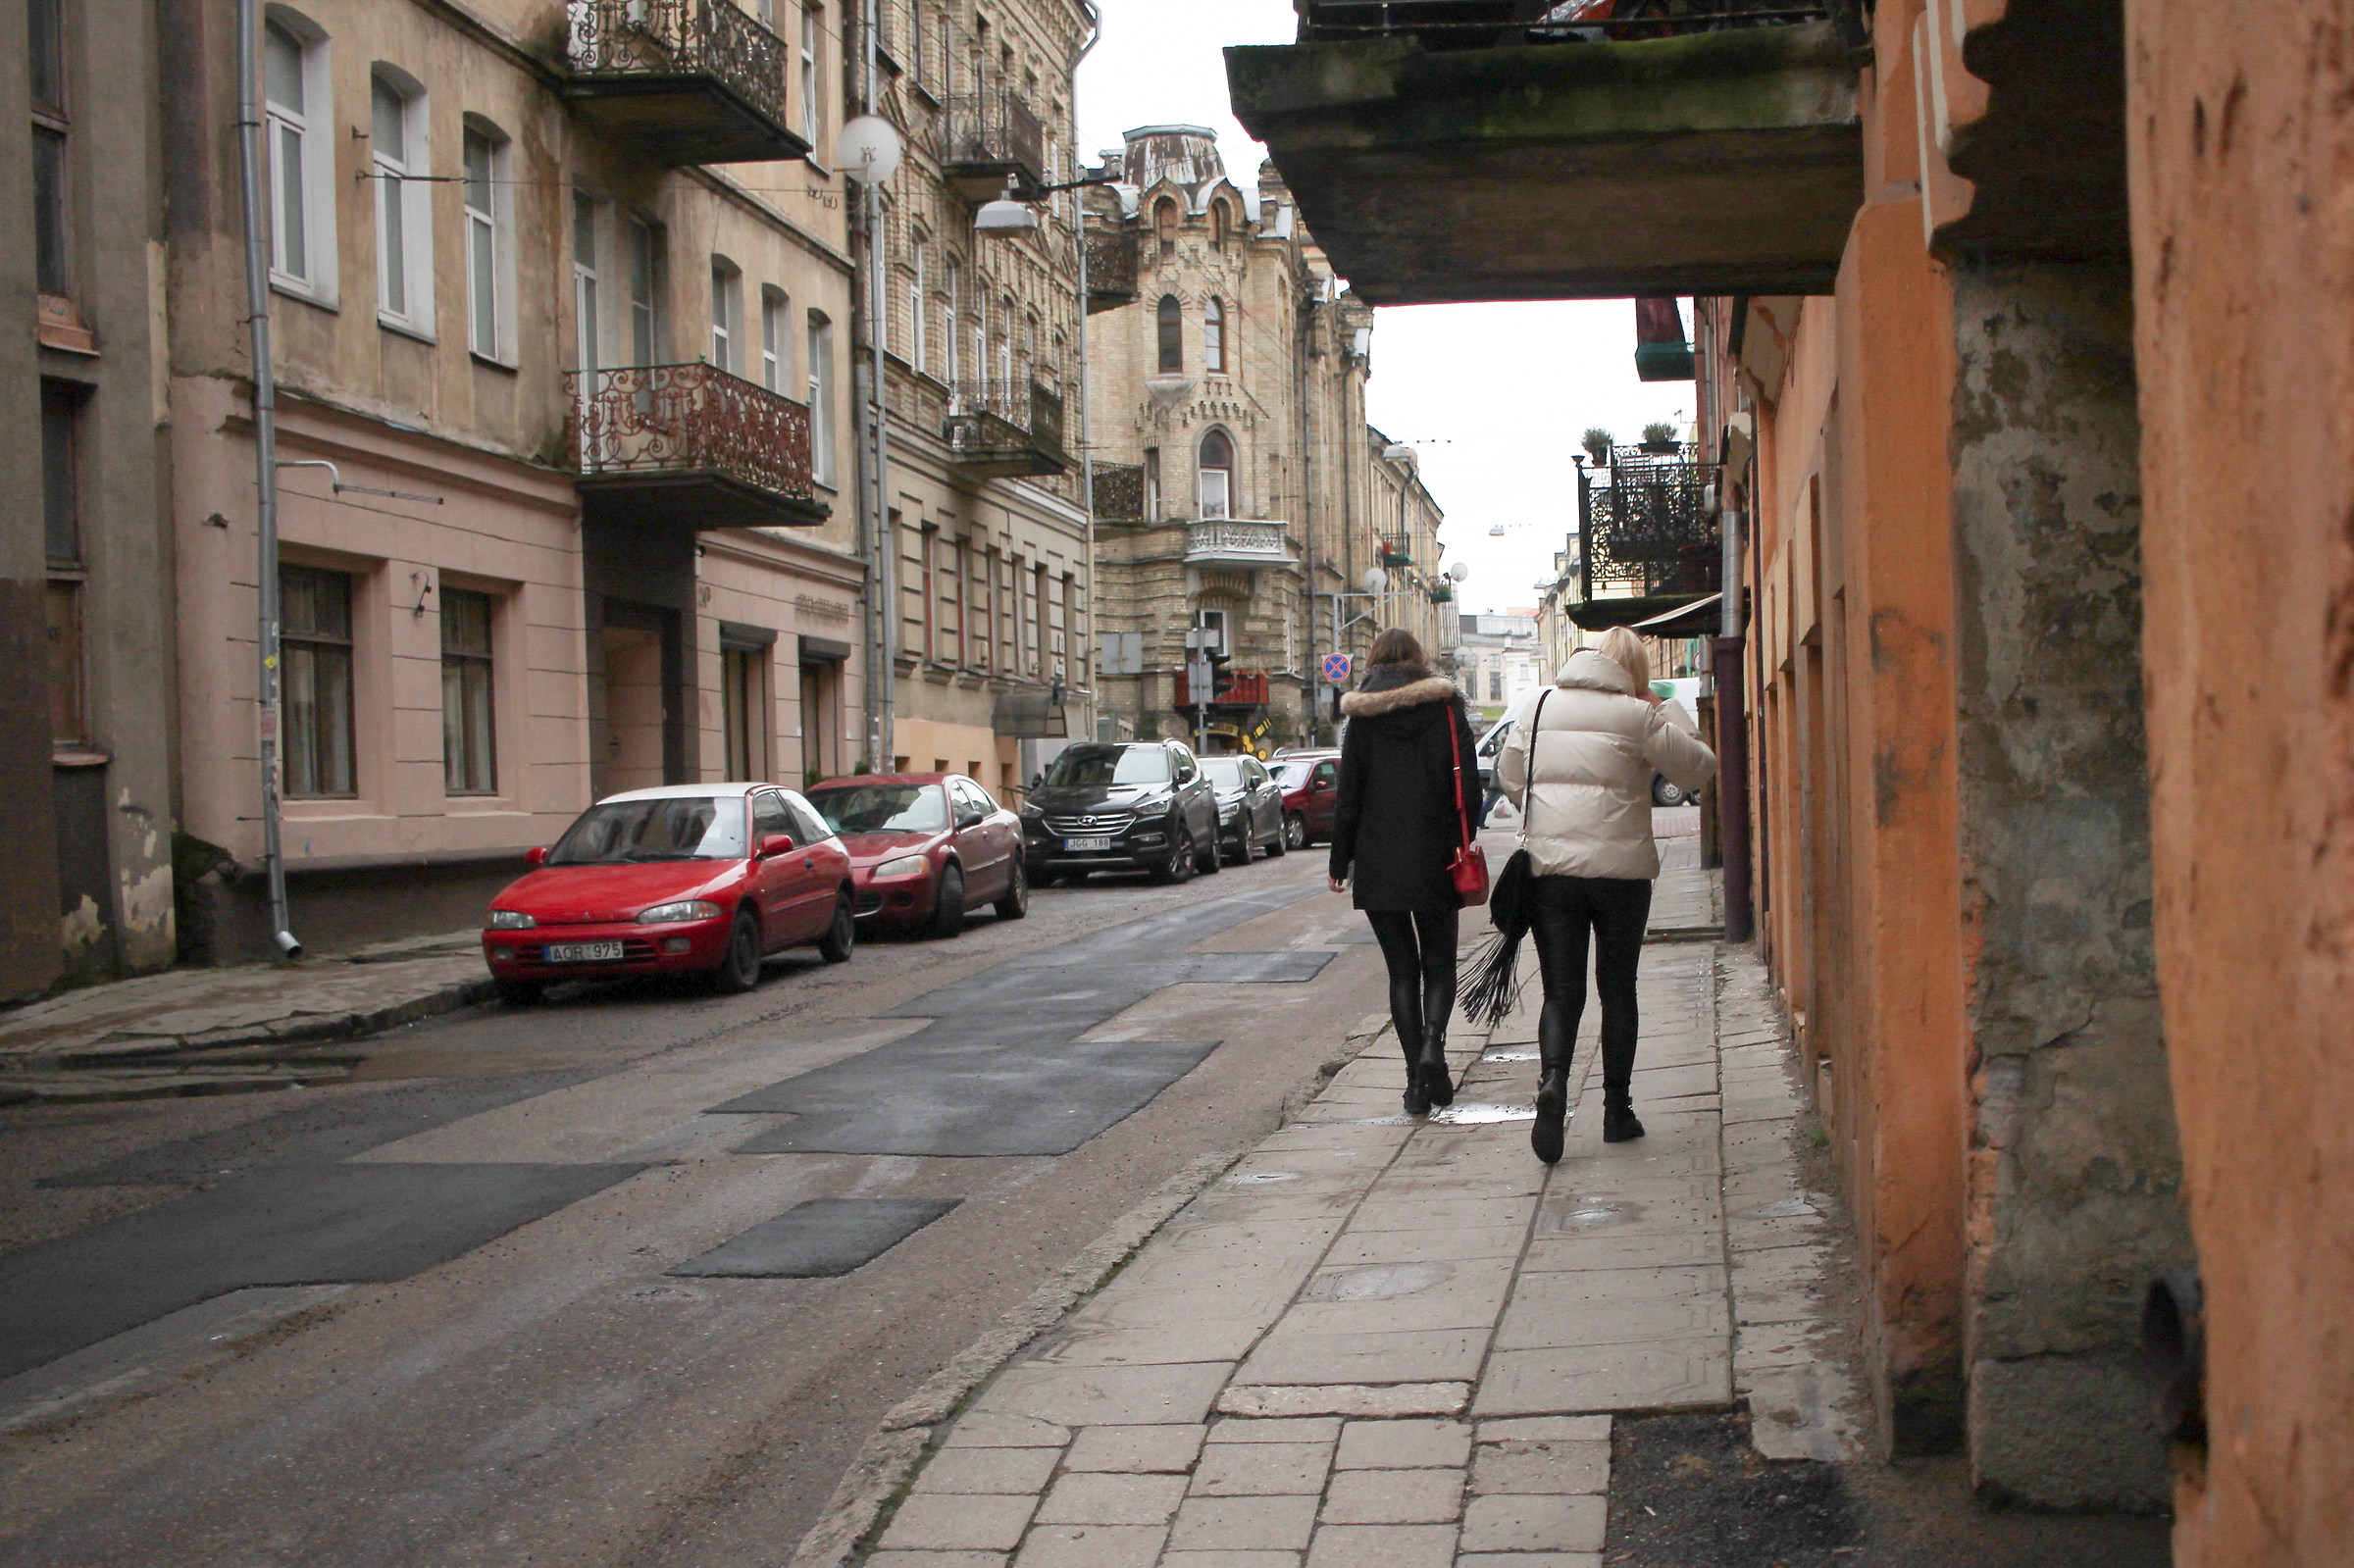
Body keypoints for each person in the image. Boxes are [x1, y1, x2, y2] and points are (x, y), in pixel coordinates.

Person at [1498, 626, 1716, 1162]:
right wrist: (1661, 706)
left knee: (1560, 992)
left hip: (1554, 874)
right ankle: (1617, 1112)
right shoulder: (1639, 714)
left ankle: (1552, 1085)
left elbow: (1509, 778)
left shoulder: (1539, 705)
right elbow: (1699, 769)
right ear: (1634, 674)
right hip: (1622, 877)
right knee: (1618, 989)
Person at [1327, 629, 1484, 1116]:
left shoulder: (1361, 718)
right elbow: (1469, 779)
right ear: (1418, 660)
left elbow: (1348, 796)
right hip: (1437, 854)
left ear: (1374, 662)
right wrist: (1464, 836)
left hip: (1378, 861)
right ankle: (1435, 1047)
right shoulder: (1445, 706)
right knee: (1439, 965)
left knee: (1401, 971)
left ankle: (1416, 1081)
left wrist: (1339, 861)